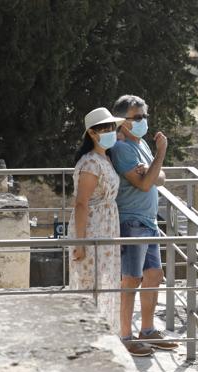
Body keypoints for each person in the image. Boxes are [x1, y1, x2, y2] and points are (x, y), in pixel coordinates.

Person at [109, 95, 177, 354]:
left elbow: (161, 177)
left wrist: (151, 168)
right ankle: (125, 336)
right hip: (132, 221)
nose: (143, 121)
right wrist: (160, 155)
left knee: (153, 275)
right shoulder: (122, 148)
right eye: (137, 117)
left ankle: (147, 330)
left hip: (148, 221)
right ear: (122, 121)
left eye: (144, 116)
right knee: (131, 279)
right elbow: (146, 183)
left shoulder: (142, 145)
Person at [68, 108, 131, 347]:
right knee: (90, 281)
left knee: (105, 281)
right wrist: (81, 243)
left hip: (106, 226)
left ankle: (102, 335)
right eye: (105, 129)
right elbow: (81, 203)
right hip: (93, 227)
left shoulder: (105, 158)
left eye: (111, 127)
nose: (110, 132)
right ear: (92, 134)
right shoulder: (91, 163)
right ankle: (87, 338)